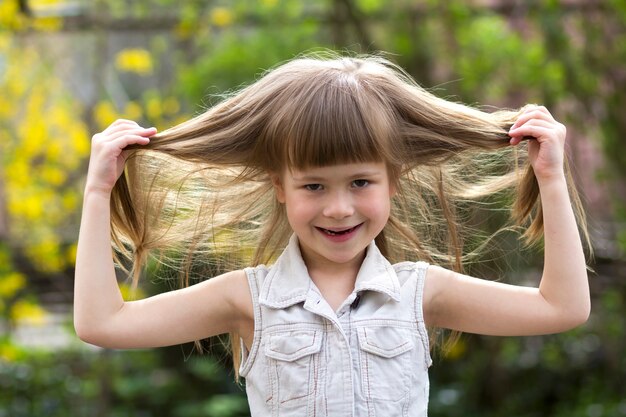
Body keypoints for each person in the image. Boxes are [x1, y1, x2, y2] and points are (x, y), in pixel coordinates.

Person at [74, 53, 591, 416]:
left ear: (394, 182)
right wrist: (98, 193)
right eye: (314, 185)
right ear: (280, 187)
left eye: (360, 182)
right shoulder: (248, 299)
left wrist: (548, 177)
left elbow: (561, 308)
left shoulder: (419, 293)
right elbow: (103, 323)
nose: (339, 208)